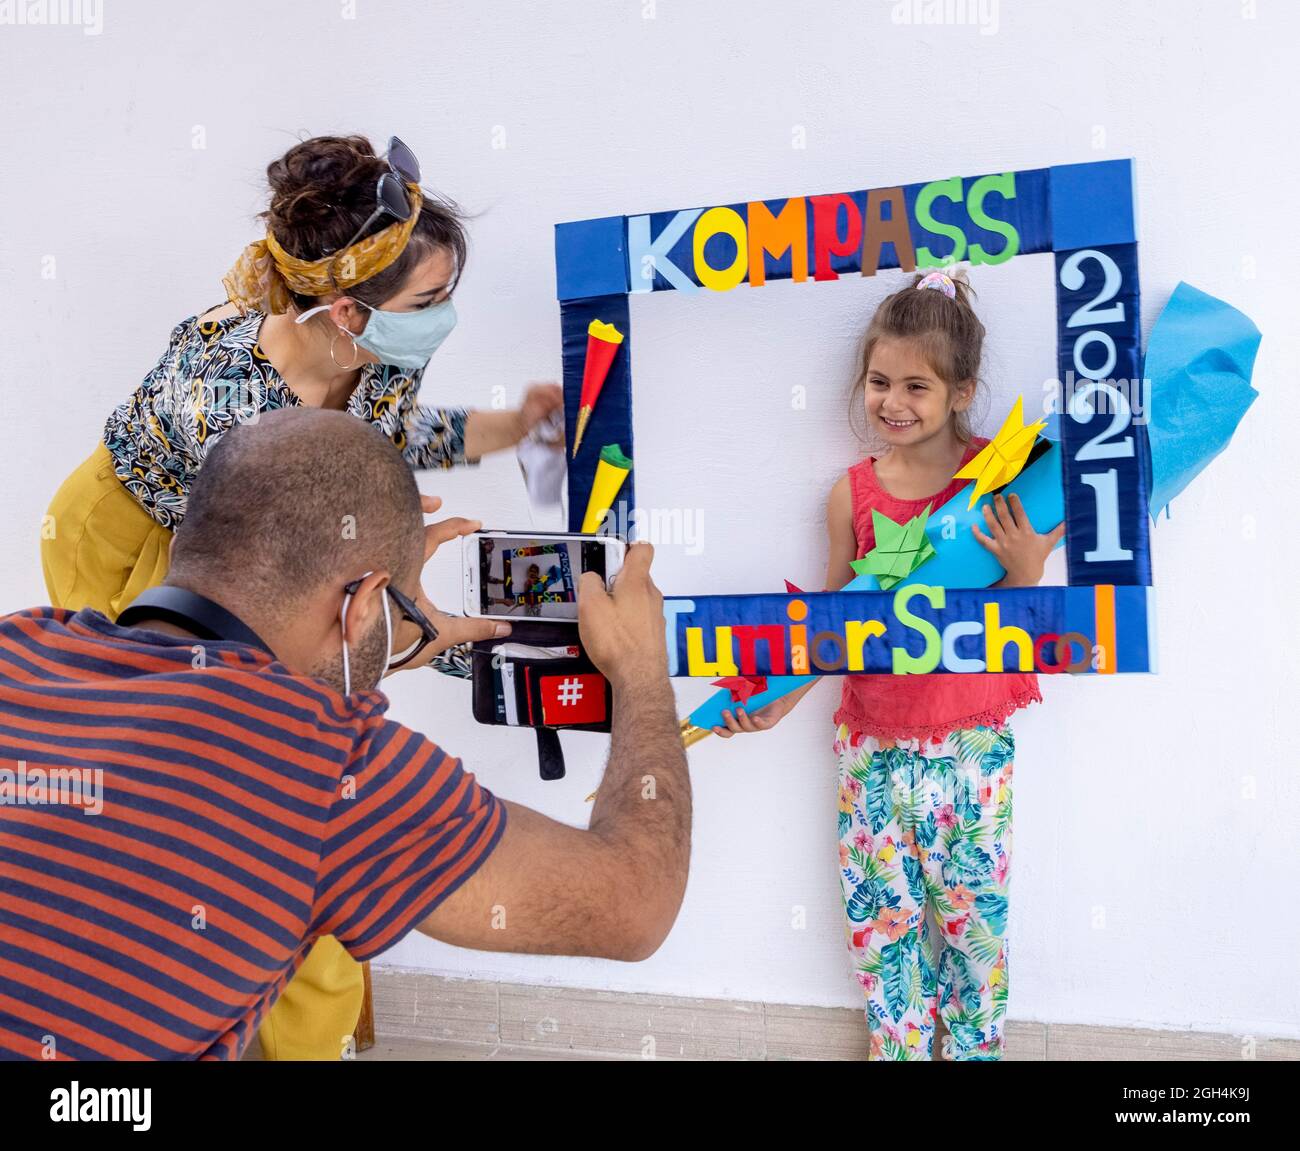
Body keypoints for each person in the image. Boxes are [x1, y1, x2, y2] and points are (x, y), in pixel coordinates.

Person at [37, 133, 562, 1058]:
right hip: (132, 534)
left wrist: (506, 430)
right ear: (349, 311)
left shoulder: (377, 351)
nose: (444, 317)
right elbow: (269, 598)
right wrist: (401, 617)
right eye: (429, 300)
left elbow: (390, 431)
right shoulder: (226, 408)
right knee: (208, 790)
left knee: (266, 810)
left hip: (268, 545)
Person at [0, 409, 690, 1060]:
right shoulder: (324, 767)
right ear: (363, 605)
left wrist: (362, 644)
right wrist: (639, 669)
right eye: (397, 603)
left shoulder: (21, 641)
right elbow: (637, 902)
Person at [712, 269, 1063, 1061]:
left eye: (917, 385)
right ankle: (896, 1050)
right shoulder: (854, 493)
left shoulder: (1001, 478)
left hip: (971, 744)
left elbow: (1023, 618)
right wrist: (778, 698)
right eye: (879, 382)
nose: (893, 401)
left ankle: (974, 1052)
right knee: (883, 924)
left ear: (963, 390)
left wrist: (1026, 570)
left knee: (975, 925)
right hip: (871, 748)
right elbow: (834, 620)